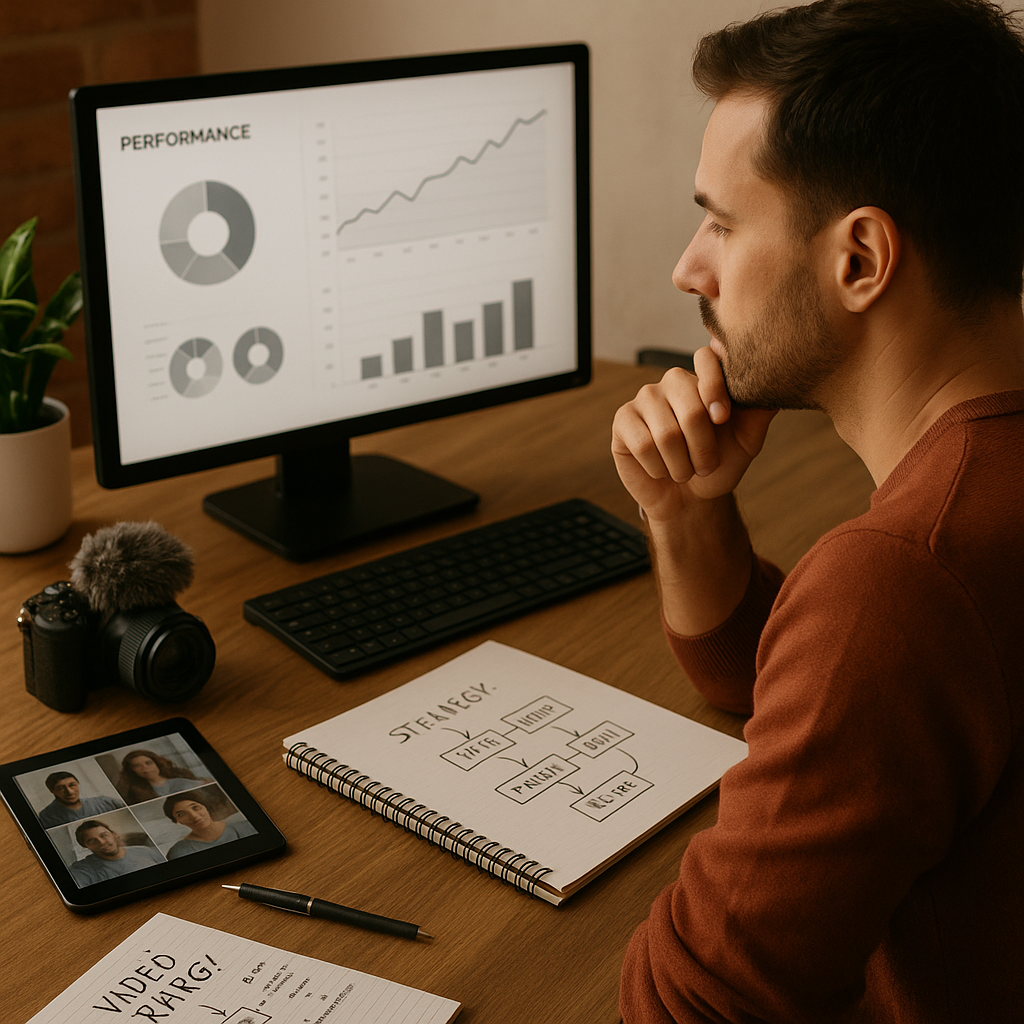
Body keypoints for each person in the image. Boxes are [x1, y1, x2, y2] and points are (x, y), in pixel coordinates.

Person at [611, 1, 1024, 1021]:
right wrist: (685, 514)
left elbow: (695, 1006)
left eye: (721, 222)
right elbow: (816, 690)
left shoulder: (903, 578)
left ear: (860, 260)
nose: (688, 268)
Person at [162, 789, 256, 859]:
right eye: (181, 814)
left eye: (195, 807)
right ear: (178, 821)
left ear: (205, 807)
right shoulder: (179, 851)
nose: (194, 816)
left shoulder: (246, 827)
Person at [69, 820, 164, 885]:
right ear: (85, 846)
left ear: (114, 834)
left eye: (103, 835)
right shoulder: (82, 869)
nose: (102, 842)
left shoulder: (145, 851)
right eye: (92, 841)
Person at [116, 749, 210, 804]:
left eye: (148, 763)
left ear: (156, 763)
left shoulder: (181, 778)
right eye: (137, 766)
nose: (145, 768)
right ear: (132, 771)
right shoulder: (137, 792)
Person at [37, 771, 123, 829]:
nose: (69, 792)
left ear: (78, 784)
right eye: (60, 788)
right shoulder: (47, 816)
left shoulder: (104, 802)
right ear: (52, 791)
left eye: (72, 785)